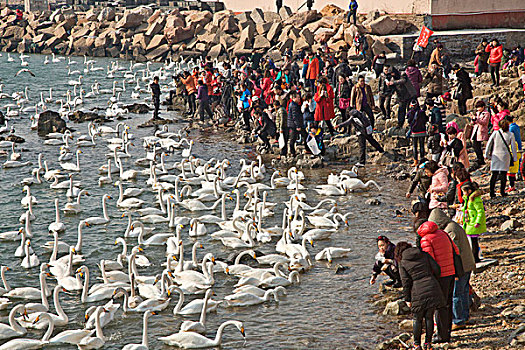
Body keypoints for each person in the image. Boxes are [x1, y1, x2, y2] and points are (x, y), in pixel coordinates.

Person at [426, 208, 476, 332]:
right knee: (463, 292)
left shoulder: (450, 230)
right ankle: (464, 317)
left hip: (461, 267)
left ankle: (458, 320)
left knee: (456, 294)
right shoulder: (454, 226)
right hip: (467, 264)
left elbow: (453, 252)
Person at [395, 241, 445, 350]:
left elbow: (406, 282)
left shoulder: (403, 262)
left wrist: (407, 298)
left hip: (417, 290)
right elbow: (437, 269)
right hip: (432, 286)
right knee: (429, 317)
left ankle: (416, 344)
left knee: (417, 319)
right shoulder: (424, 254)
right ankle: (428, 343)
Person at [416, 221, 459, 344]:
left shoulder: (426, 240)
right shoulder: (443, 233)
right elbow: (455, 250)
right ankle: (447, 331)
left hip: (440, 276)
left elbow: (430, 261)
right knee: (448, 303)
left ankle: (441, 335)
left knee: (440, 306)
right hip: (451, 272)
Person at [485, 118, 517, 198]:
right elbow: (513, 148)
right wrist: (515, 158)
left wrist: (486, 154)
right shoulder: (510, 134)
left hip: (496, 155)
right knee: (503, 175)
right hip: (505, 156)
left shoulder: (495, 133)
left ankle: (492, 192)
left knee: (494, 175)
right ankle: (502, 192)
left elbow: (489, 144)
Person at [461, 181, 486, 264]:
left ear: (469, 191)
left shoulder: (475, 200)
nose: (463, 193)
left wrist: (478, 221)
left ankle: (475, 258)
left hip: (473, 222)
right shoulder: (468, 199)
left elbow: (480, 211)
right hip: (470, 221)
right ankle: (475, 257)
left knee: (474, 241)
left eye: (464, 191)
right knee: (473, 241)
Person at [407, 100, 428, 166]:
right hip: (422, 130)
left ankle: (415, 161)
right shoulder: (422, 112)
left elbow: (409, 121)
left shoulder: (410, 113)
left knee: (414, 146)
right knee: (422, 146)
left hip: (414, 131)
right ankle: (422, 160)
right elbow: (425, 119)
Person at [470, 100, 490, 167]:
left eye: (479, 107)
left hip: (481, 131)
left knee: (478, 146)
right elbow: (475, 122)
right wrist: (473, 119)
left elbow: (484, 122)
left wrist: (476, 119)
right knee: (475, 145)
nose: (478, 109)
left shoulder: (486, 113)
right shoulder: (478, 113)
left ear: (483, 107)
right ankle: (479, 158)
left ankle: (481, 159)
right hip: (476, 130)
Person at [287, 91, 306, 157]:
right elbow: (295, 117)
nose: (299, 99)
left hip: (293, 124)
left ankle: (292, 152)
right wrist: (298, 125)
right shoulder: (294, 106)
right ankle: (292, 152)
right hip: (294, 125)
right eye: (298, 98)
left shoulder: (293, 104)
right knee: (293, 138)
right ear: (294, 98)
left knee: (293, 138)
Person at [507, 115, 522, 192]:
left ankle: (512, 184)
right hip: (518, 145)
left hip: (513, 147)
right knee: (519, 161)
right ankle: (520, 174)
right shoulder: (516, 126)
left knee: (512, 169)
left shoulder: (510, 128)